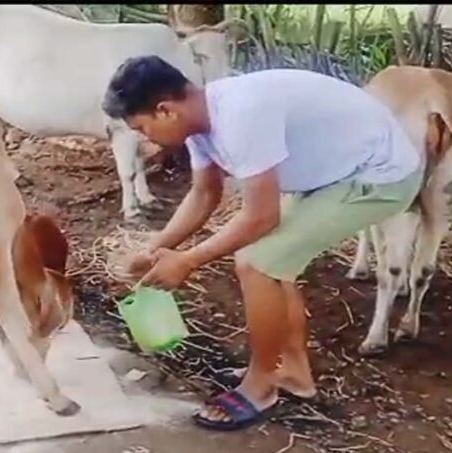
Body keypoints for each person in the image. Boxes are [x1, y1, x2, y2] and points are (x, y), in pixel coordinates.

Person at [102, 55, 422, 431]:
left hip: (379, 174)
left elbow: (261, 217)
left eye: (142, 128)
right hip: (334, 173)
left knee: (258, 262)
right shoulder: (200, 121)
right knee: (270, 260)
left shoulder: (240, 115)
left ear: (165, 110)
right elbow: (204, 194)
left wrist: (187, 260)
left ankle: (260, 387)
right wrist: (155, 249)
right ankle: (293, 373)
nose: (146, 139)